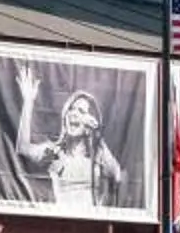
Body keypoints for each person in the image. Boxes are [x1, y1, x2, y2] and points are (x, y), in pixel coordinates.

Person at [13, 64, 127, 210]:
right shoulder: (56, 153)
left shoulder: (97, 155)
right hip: (62, 223)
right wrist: (28, 101)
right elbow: (23, 148)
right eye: (71, 109)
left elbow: (117, 175)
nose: (73, 113)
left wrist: (97, 134)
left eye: (81, 111)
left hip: (92, 225)